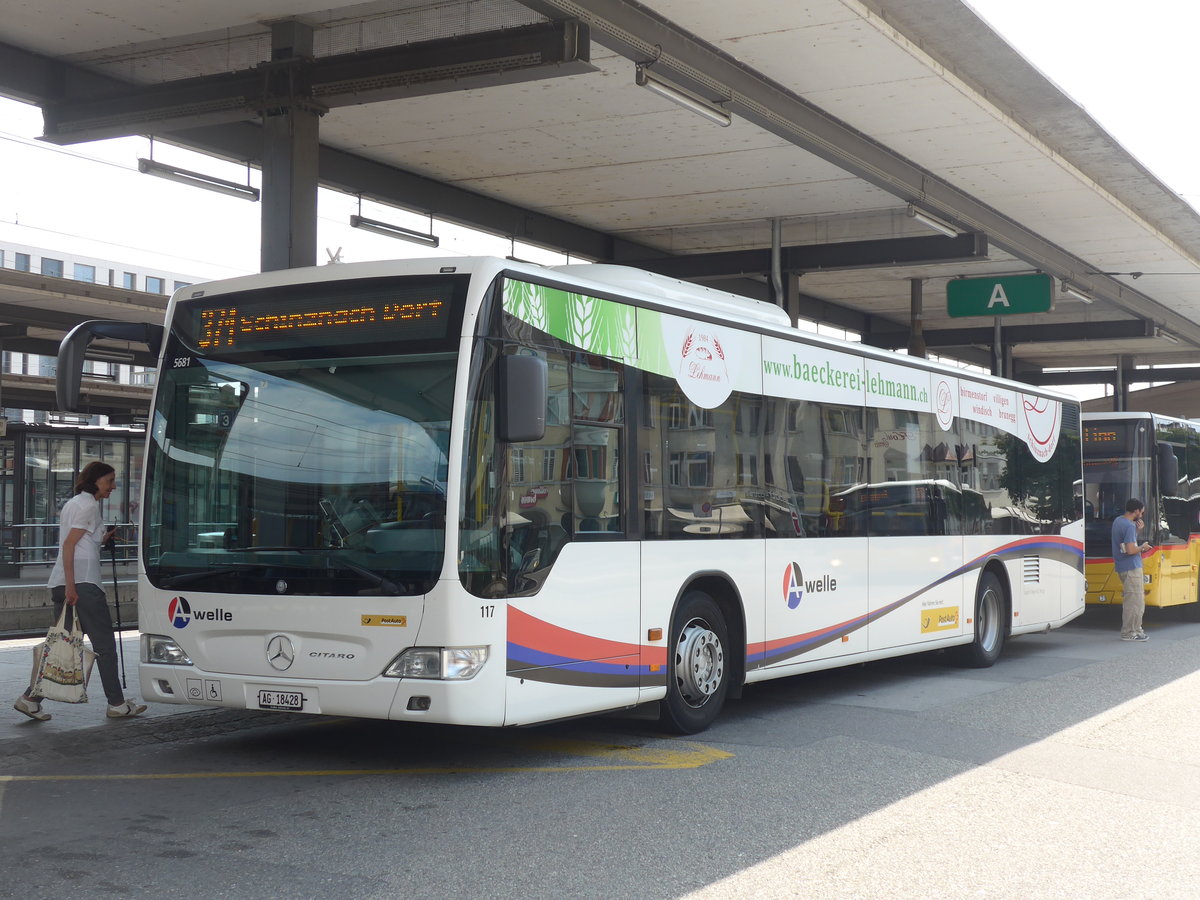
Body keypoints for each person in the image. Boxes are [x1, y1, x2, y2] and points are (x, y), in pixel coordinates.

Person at [14, 461, 147, 721]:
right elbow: (69, 545)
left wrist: (103, 537)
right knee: (105, 646)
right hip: (82, 584)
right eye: (109, 480)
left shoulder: (76, 503)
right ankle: (117, 704)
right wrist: (73, 587)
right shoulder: (87, 506)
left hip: (64, 582)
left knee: (66, 644)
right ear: (96, 480)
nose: (113, 486)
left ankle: (30, 698)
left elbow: (83, 541)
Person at [1111, 497, 1152, 642]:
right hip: (1131, 567)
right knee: (1135, 601)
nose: (1141, 515)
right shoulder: (1129, 526)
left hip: (1122, 566)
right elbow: (1130, 549)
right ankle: (1129, 632)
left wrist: (1137, 531)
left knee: (1134, 599)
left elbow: (1127, 542)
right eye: (1141, 512)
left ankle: (1137, 629)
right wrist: (1143, 547)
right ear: (1136, 511)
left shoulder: (1118, 521)